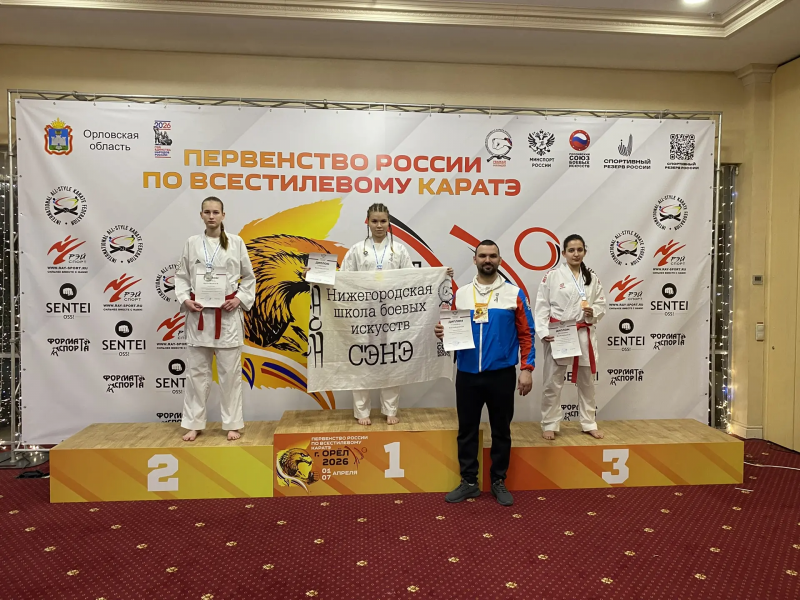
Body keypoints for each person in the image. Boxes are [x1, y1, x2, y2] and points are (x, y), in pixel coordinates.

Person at [435, 240, 535, 506]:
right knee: (467, 430)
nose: (487, 260)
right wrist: (443, 332)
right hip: (467, 374)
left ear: (499, 260)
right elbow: (453, 330)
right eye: (482, 256)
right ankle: (469, 482)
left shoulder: (514, 294)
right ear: (475, 260)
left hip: (501, 374)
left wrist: (527, 369)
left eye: (492, 256)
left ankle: (498, 481)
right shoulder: (461, 294)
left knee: (501, 430)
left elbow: (527, 334)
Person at [340, 203, 454, 426]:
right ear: (367, 222)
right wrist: (317, 275)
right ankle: (361, 411)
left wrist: (440, 274)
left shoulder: (399, 250)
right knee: (361, 360)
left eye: (383, 221)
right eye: (375, 221)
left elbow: (412, 279)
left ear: (389, 222)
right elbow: (342, 278)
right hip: (362, 313)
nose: (379, 225)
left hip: (393, 314)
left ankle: (390, 409)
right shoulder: (356, 250)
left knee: (391, 359)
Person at [175, 196, 256, 442]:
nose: (211, 216)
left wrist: (239, 299)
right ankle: (193, 424)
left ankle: (232, 424)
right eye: (207, 212)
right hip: (199, 315)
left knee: (230, 375)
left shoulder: (236, 242)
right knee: (196, 375)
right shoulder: (192, 243)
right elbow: (181, 276)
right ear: (201, 215)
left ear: (223, 215)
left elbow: (249, 277)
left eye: (216, 212)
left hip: (227, 315)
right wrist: (185, 299)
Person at [534, 234, 607, 441]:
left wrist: (594, 312)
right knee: (553, 381)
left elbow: (601, 303)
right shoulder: (552, 276)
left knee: (587, 382)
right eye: (572, 250)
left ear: (585, 252)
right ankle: (550, 422)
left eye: (580, 250)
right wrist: (544, 332)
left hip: (583, 333)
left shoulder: (591, 277)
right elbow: (541, 305)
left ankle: (589, 422)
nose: (576, 254)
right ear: (564, 253)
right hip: (560, 333)